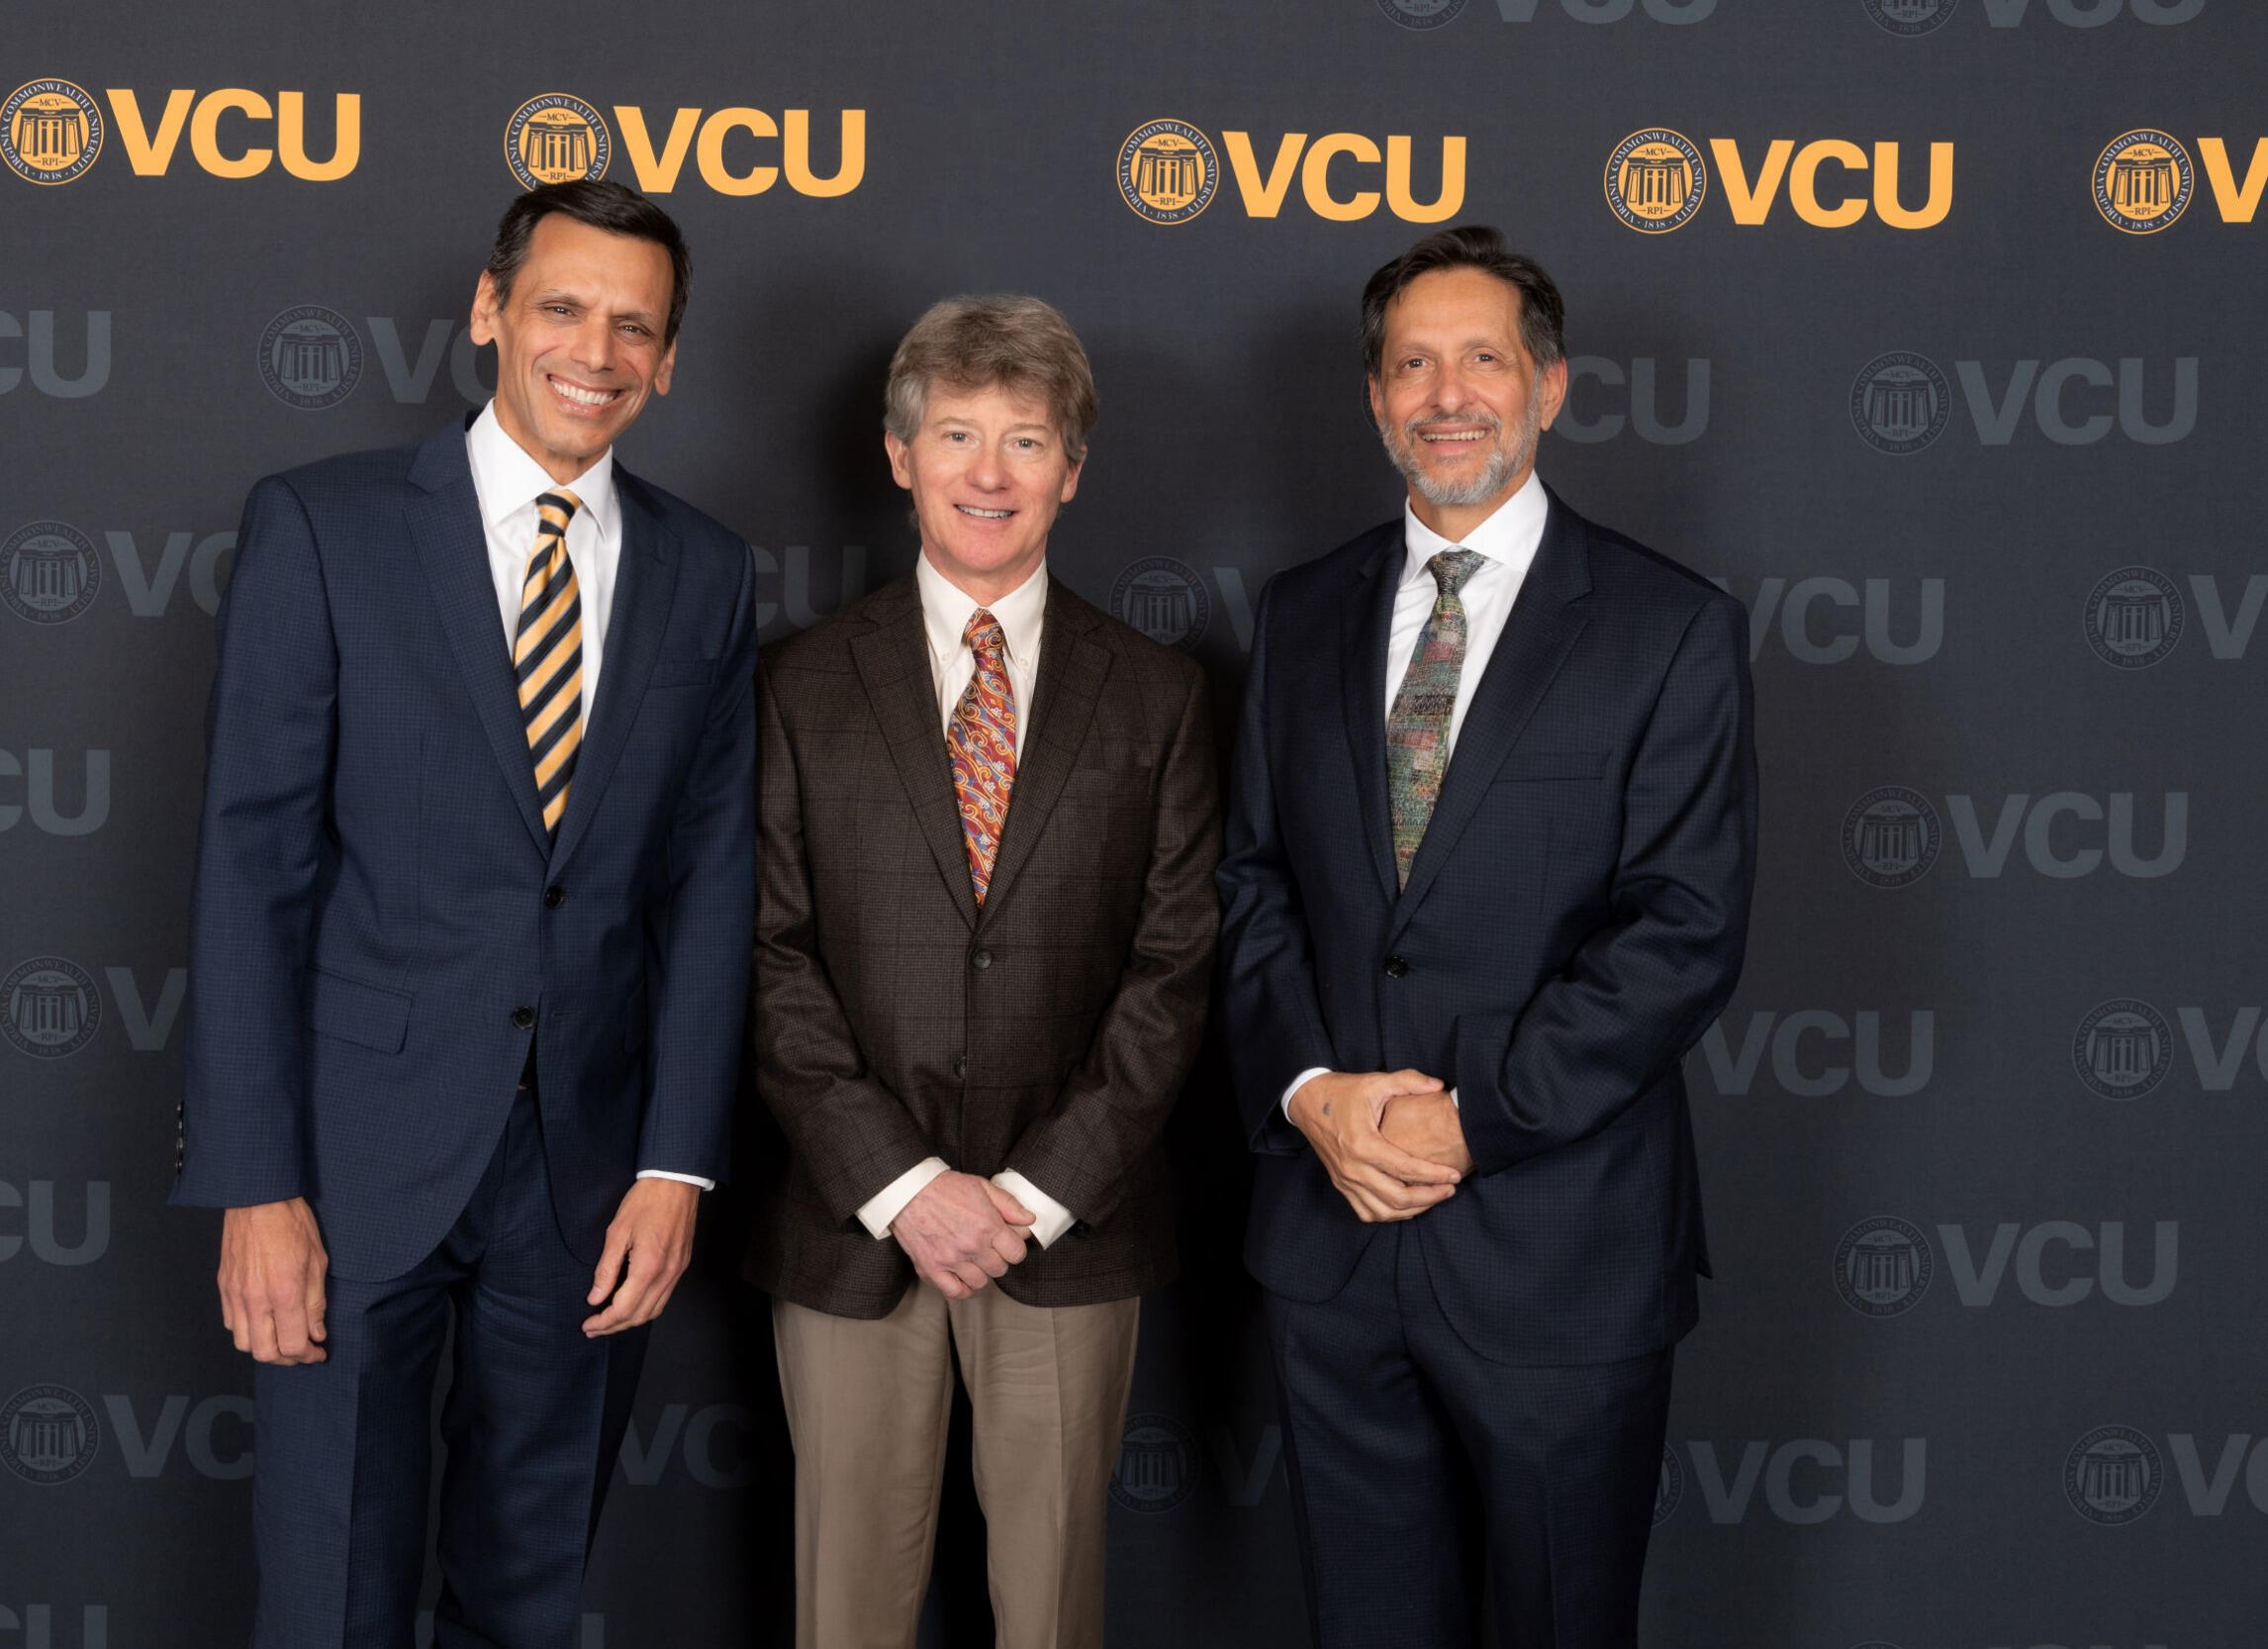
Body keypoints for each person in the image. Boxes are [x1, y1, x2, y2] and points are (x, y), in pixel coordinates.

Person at [172, 178, 756, 1648]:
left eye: (638, 325)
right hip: (349, 1166)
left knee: (530, 1587)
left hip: (588, 1180)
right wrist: (256, 1178)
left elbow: (708, 884)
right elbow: (253, 864)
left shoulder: (704, 567)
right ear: (491, 312)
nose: (597, 350)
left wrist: (677, 1163)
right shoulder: (326, 525)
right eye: (563, 307)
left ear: (671, 358)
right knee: (332, 1596)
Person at [1217, 225, 1757, 1648]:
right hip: (1334, 1248)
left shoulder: (1669, 627)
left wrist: (1475, 1120)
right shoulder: (1299, 612)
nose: (1446, 393)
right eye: (1412, 362)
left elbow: (1682, 929)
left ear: (1551, 386)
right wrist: (1309, 1093)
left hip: (1558, 1250)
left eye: (1482, 358)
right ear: (1375, 397)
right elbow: (1251, 882)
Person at [743, 294, 1219, 1649]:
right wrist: (904, 1186)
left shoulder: (1161, 694)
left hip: (1068, 1231)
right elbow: (765, 951)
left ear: (1072, 469)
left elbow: (1174, 966)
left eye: (1026, 439)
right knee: (846, 1614)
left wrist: (1033, 1191)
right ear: (900, 455)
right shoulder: (797, 684)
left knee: (1055, 1615)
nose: (989, 473)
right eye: (957, 433)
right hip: (853, 1222)